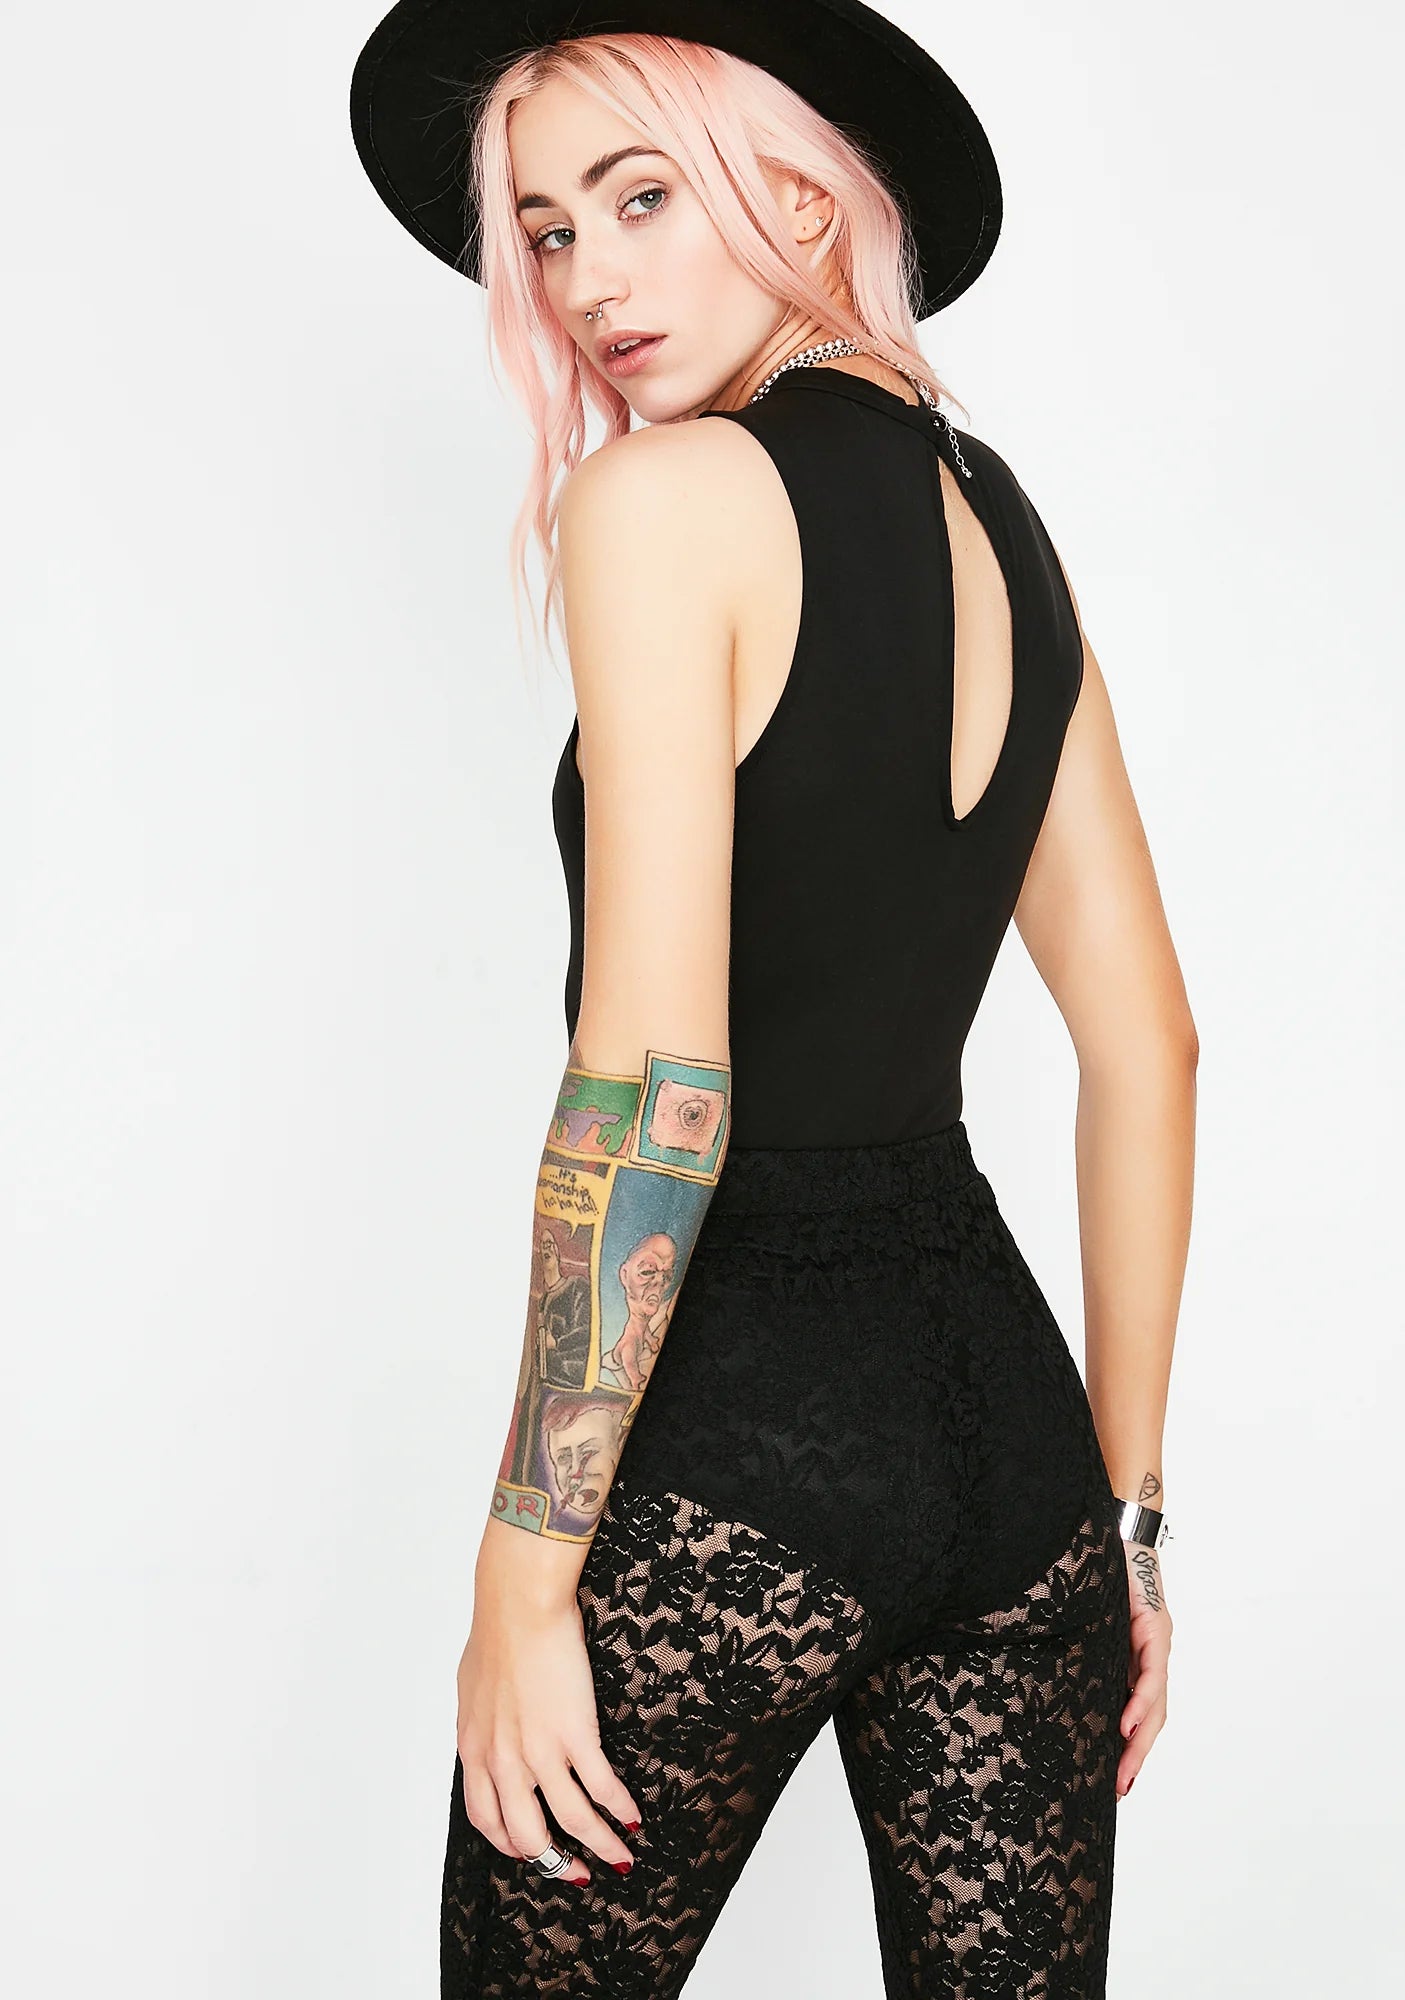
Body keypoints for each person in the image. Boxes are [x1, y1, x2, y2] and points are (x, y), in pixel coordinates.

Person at [350, 6, 1196, 1994]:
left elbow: (655, 1076)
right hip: (1013, 1459)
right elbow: (1147, 1042)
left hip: (740, 1441)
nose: (588, 280)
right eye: (548, 230)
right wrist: (1129, 1523)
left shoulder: (663, 500)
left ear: (803, 197)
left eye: (640, 197)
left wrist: (522, 1573)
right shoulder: (1004, 526)